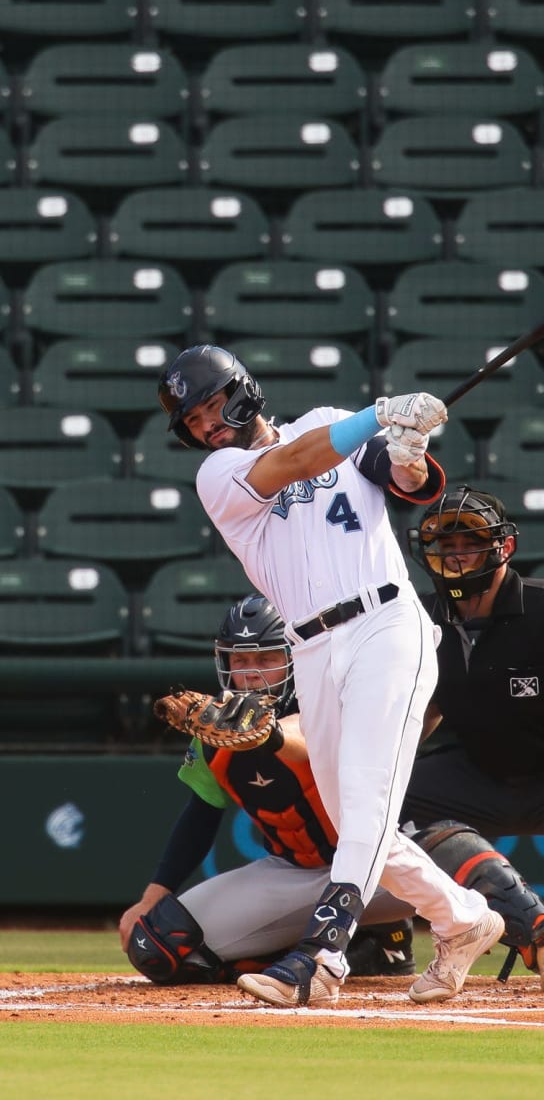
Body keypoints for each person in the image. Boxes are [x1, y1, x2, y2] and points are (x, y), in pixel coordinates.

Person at [155, 344, 503, 1008]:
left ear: (240, 391)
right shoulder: (221, 473)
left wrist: (405, 454)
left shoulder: (330, 420)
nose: (205, 426)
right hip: (311, 647)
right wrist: (378, 415)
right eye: (191, 422)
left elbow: (416, 488)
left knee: (368, 799)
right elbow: (294, 461)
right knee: (354, 822)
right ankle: (464, 919)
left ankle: (320, 956)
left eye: (207, 407)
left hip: (386, 625)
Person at [118, 592, 417, 984]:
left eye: (267, 659)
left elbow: (307, 738)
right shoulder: (215, 731)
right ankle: (363, 946)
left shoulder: (336, 699)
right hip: (291, 873)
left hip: (382, 868)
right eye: (240, 661)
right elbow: (201, 815)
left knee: (461, 858)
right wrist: (152, 895)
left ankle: (516, 923)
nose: (252, 675)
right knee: (155, 945)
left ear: (295, 659)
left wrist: (267, 734)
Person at [402, 487, 544, 838]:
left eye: (470, 543)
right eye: (448, 546)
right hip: (477, 776)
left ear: (505, 548)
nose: (457, 556)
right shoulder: (418, 618)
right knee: (379, 798)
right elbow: (426, 709)